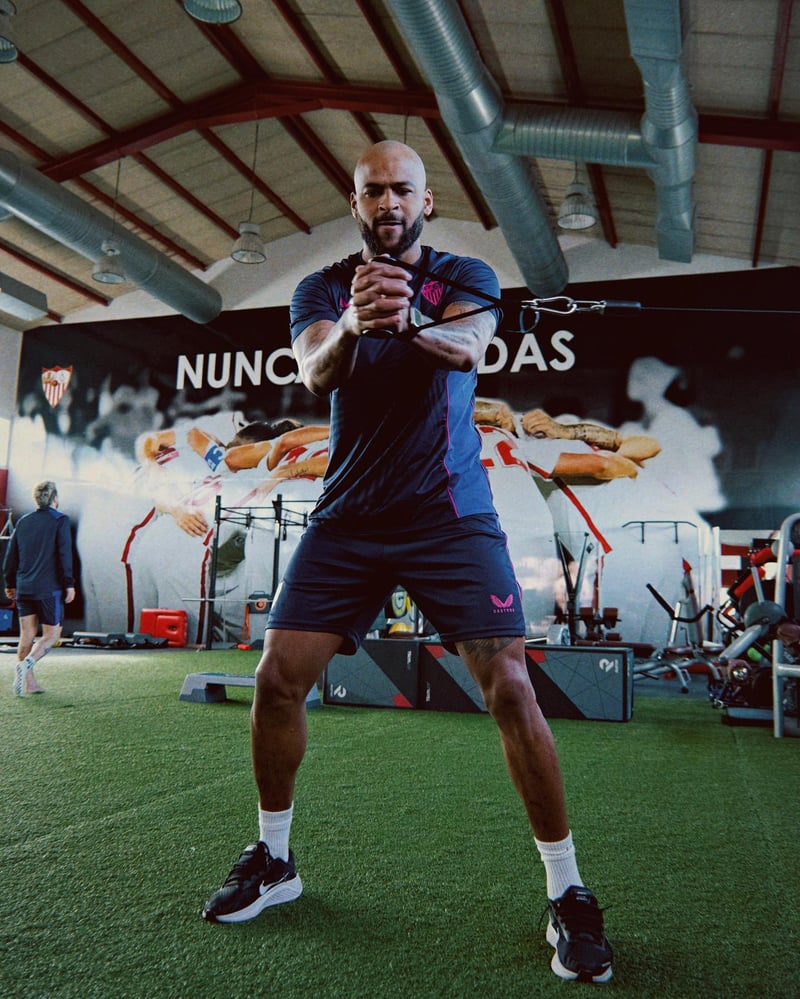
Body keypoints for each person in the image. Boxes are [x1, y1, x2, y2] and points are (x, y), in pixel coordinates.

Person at [201, 140, 613, 984]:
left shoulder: (467, 274)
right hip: (348, 519)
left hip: (449, 517)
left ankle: (567, 889)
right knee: (276, 678)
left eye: (402, 190)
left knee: (511, 687)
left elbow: (468, 348)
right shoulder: (322, 288)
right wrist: (358, 321)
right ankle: (274, 858)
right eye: (373, 191)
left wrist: (409, 318)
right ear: (354, 204)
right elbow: (315, 371)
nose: (388, 202)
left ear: (428, 201)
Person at [3, 480, 75, 696]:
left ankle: (29, 683)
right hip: (48, 589)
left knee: (27, 634)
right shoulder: (60, 520)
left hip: (24, 587)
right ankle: (28, 663)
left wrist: (9, 583)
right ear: (55, 498)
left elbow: (10, 556)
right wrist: (69, 584)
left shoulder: (23, 521)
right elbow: (64, 554)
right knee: (52, 635)